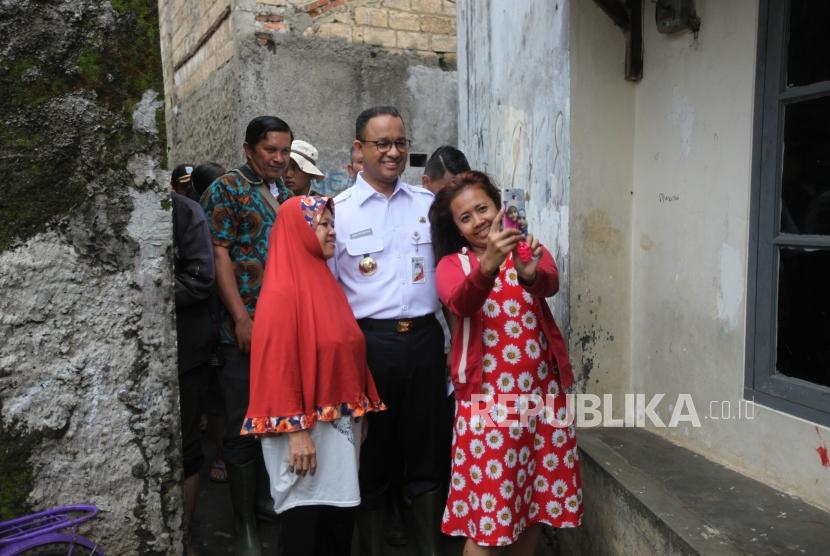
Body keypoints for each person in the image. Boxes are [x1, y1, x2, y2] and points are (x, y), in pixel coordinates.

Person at [429, 171, 582, 554]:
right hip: (487, 405)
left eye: (483, 208)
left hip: (540, 400)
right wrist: (489, 266)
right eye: (466, 217)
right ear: (458, 229)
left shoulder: (527, 248)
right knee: (488, 514)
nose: (479, 220)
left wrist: (529, 271)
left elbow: (550, 280)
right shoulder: (452, 265)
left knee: (531, 504)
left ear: (499, 207)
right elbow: (460, 303)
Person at [330, 106, 448, 556]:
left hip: (423, 341)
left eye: (400, 143)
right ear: (360, 149)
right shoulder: (338, 212)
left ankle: (429, 548)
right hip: (368, 345)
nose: (394, 152)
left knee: (426, 454)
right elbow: (329, 295)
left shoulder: (427, 207)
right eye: (382, 144)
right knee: (372, 458)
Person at [241, 195, 386, 556]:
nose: (333, 232)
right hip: (302, 435)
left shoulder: (323, 283)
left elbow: (348, 349)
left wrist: (360, 408)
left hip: (337, 429)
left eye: (332, 224)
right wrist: (296, 431)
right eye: (323, 224)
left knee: (335, 528)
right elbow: (276, 365)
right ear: (298, 232)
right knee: (304, 531)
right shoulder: (281, 292)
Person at [201, 116, 293, 556]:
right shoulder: (226, 189)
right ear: (248, 149)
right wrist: (240, 318)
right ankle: (244, 530)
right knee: (241, 425)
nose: (278, 158)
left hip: (282, 330)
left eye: (284, 151)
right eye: (270, 150)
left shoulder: (287, 194)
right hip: (243, 330)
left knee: (274, 421)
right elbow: (218, 251)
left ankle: (262, 503)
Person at [170, 163, 216, 556]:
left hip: (186, 350)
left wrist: (149, 292)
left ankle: (183, 535)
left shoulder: (186, 213)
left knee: (186, 447)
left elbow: (202, 279)